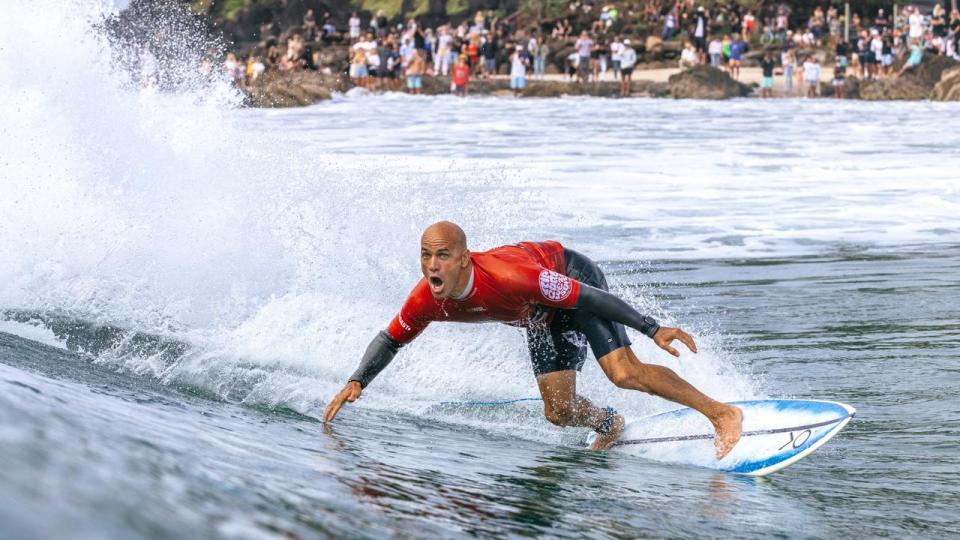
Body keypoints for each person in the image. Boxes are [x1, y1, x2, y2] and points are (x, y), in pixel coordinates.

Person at [323, 222, 744, 458]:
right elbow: (390, 339)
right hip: (539, 317)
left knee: (622, 372)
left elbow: (590, 296)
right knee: (558, 412)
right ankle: (610, 424)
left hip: (571, 278)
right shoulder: (425, 301)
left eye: (443, 255)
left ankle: (722, 414)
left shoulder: (512, 277)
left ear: (465, 257)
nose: (432, 265)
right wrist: (358, 379)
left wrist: (652, 327)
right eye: (425, 255)